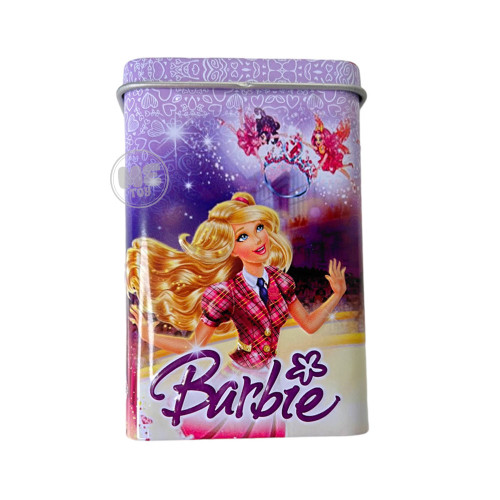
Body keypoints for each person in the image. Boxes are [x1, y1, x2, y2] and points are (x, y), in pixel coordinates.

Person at [127, 192, 346, 437]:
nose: (258, 239)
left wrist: (336, 295)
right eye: (243, 236)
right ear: (231, 250)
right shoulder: (226, 293)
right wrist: (149, 336)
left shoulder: (282, 282)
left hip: (270, 382)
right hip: (239, 382)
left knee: (270, 436)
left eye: (259, 227)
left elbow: (309, 325)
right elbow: (194, 344)